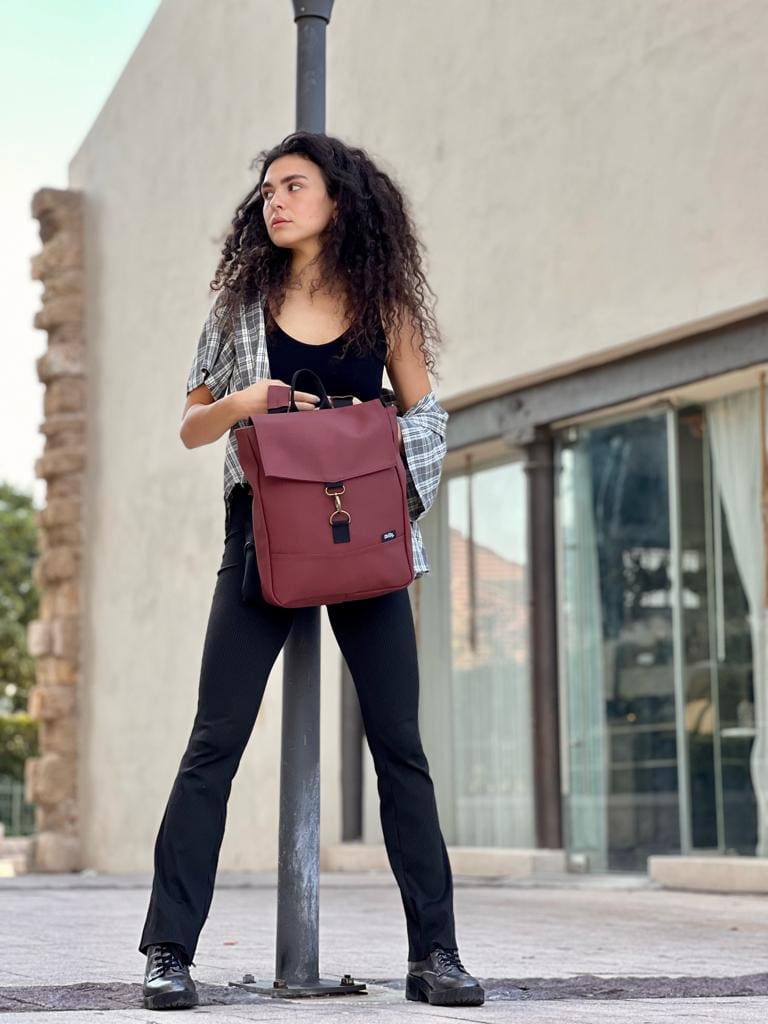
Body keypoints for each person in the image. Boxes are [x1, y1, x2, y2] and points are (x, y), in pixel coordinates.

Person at [138, 131, 484, 1011]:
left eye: (294, 186)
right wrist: (246, 402)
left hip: (364, 536)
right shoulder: (238, 305)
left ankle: (436, 954)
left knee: (400, 747)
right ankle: (169, 952)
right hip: (262, 533)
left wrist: (383, 465)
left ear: (339, 200)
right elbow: (191, 426)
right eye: (267, 191)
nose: (276, 201)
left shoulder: (383, 307)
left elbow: (430, 417)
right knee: (214, 741)